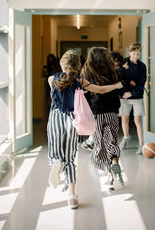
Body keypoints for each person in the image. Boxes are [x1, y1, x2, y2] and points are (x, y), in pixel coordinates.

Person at [47, 50, 123, 209]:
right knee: (70, 157)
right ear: (78, 66)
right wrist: (116, 85)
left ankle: (56, 162)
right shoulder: (79, 80)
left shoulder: (51, 79)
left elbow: (62, 85)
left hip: (55, 118)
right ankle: (72, 197)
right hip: (72, 120)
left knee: (56, 150)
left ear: (62, 64)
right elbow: (100, 90)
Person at [81, 47, 124, 189]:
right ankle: (115, 164)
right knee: (111, 140)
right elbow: (120, 90)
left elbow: (84, 94)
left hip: (96, 112)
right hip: (112, 111)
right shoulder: (113, 71)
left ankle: (110, 175)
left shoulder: (87, 72)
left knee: (101, 145)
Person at [118, 43, 147, 155]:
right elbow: (118, 78)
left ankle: (141, 144)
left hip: (136, 96)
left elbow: (141, 84)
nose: (136, 56)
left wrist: (131, 92)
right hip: (124, 96)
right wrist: (122, 69)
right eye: (134, 54)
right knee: (124, 119)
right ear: (129, 53)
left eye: (138, 54)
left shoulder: (142, 66)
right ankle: (126, 137)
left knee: (137, 120)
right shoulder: (124, 63)